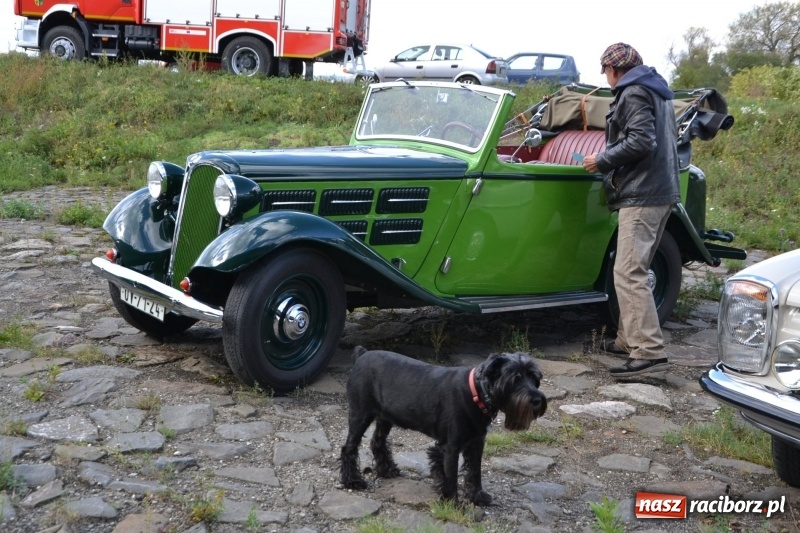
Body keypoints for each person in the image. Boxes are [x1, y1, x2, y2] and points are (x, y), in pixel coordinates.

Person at [582, 43, 680, 378]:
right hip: (662, 190)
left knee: (628, 273)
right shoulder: (659, 90)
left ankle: (649, 354)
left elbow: (641, 141)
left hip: (643, 195)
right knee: (632, 269)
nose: (607, 79)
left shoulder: (633, 91)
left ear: (613, 70)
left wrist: (601, 160)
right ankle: (628, 339)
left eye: (606, 72)